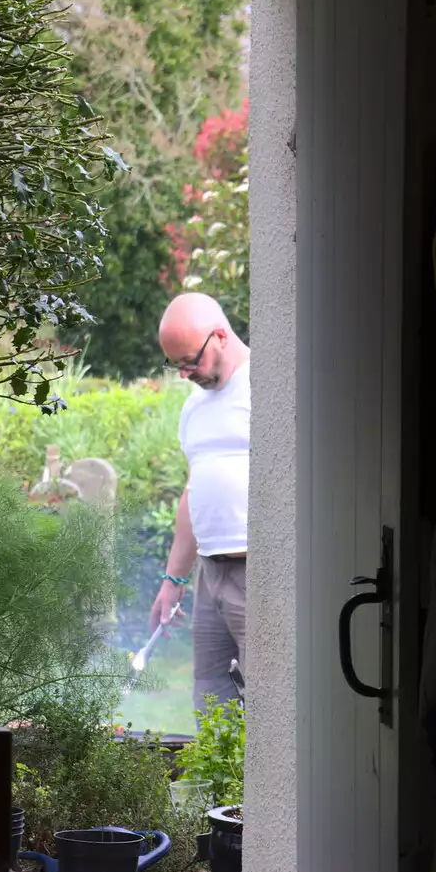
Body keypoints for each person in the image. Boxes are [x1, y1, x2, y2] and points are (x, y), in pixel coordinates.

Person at [150, 292, 250, 712]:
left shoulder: (270, 386)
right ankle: (221, 782)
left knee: (266, 706)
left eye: (190, 361)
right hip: (210, 574)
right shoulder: (194, 408)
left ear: (221, 337)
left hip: (257, 569)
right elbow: (194, 494)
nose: (184, 373)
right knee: (211, 702)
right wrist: (173, 582)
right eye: (175, 365)